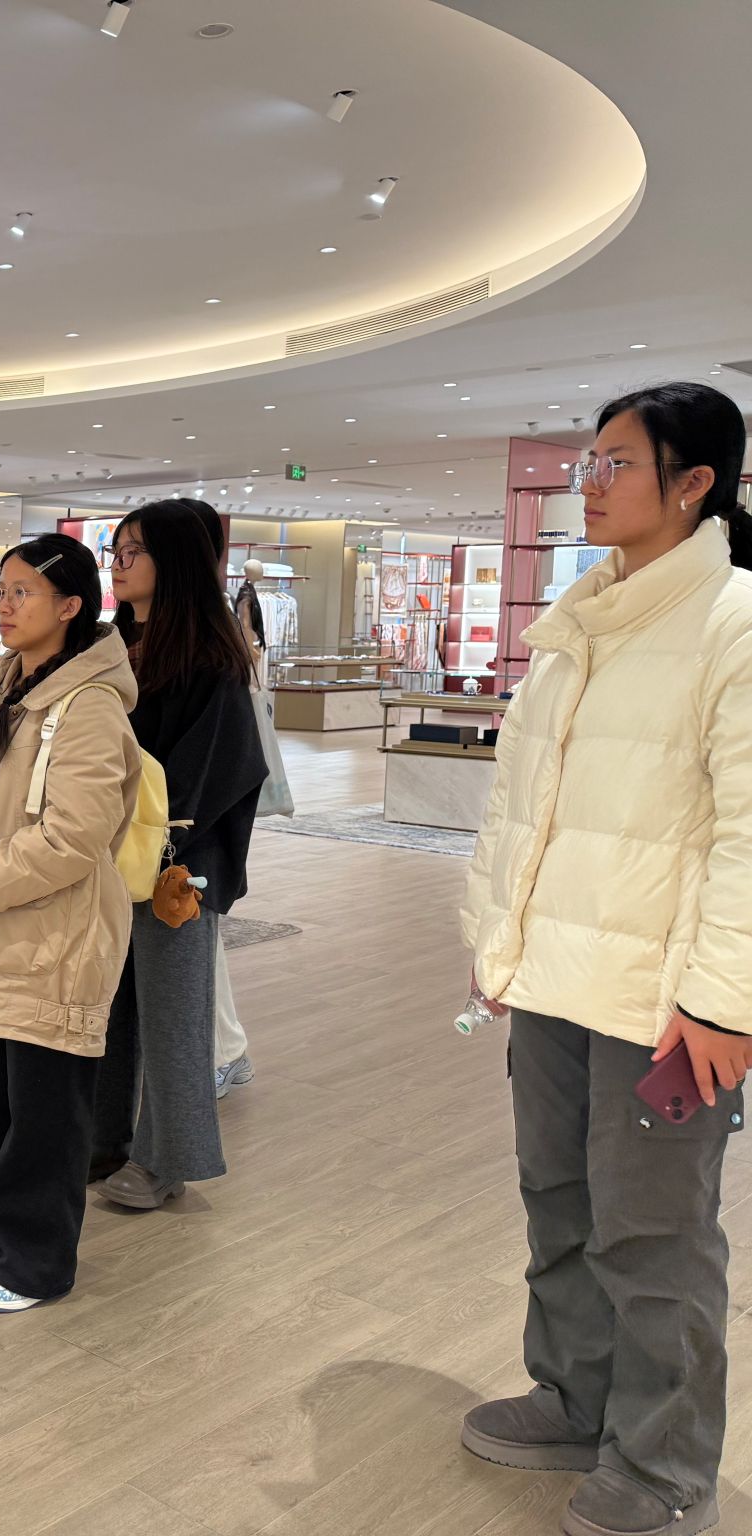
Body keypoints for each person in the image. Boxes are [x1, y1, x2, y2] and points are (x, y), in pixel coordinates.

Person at [460, 382, 752, 1536]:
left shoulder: (732, 621)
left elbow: (747, 836)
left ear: (692, 485)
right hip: (554, 979)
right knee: (557, 1201)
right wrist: (499, 939)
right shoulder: (576, 622)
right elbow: (519, 807)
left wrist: (723, 1002)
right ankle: (575, 1400)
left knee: (653, 1234)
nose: (587, 482)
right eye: (586, 462)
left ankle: (663, 1465)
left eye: (614, 463)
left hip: (662, 1002)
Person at [0, 536, 141, 1313]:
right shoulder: (4, 686)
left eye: (22, 593)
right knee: (1, 1101)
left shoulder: (90, 706)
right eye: (0, 592)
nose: (5, 607)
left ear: (71, 606)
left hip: (56, 935)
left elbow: (74, 836)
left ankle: (38, 1261)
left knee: (46, 1112)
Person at [90, 498, 266, 1208]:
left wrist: (161, 840)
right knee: (106, 1007)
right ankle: (103, 1142)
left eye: (133, 551)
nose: (119, 563)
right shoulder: (111, 643)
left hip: (177, 863)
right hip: (105, 851)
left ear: (175, 561)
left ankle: (167, 1159)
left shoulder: (208, 657)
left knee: (172, 1016)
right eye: (116, 550)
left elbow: (217, 772)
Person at [182, 499, 257, 1099]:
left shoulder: (209, 638)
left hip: (191, 826)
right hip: (171, 823)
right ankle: (224, 1050)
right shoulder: (152, 629)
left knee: (193, 937)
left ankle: (224, 1052)